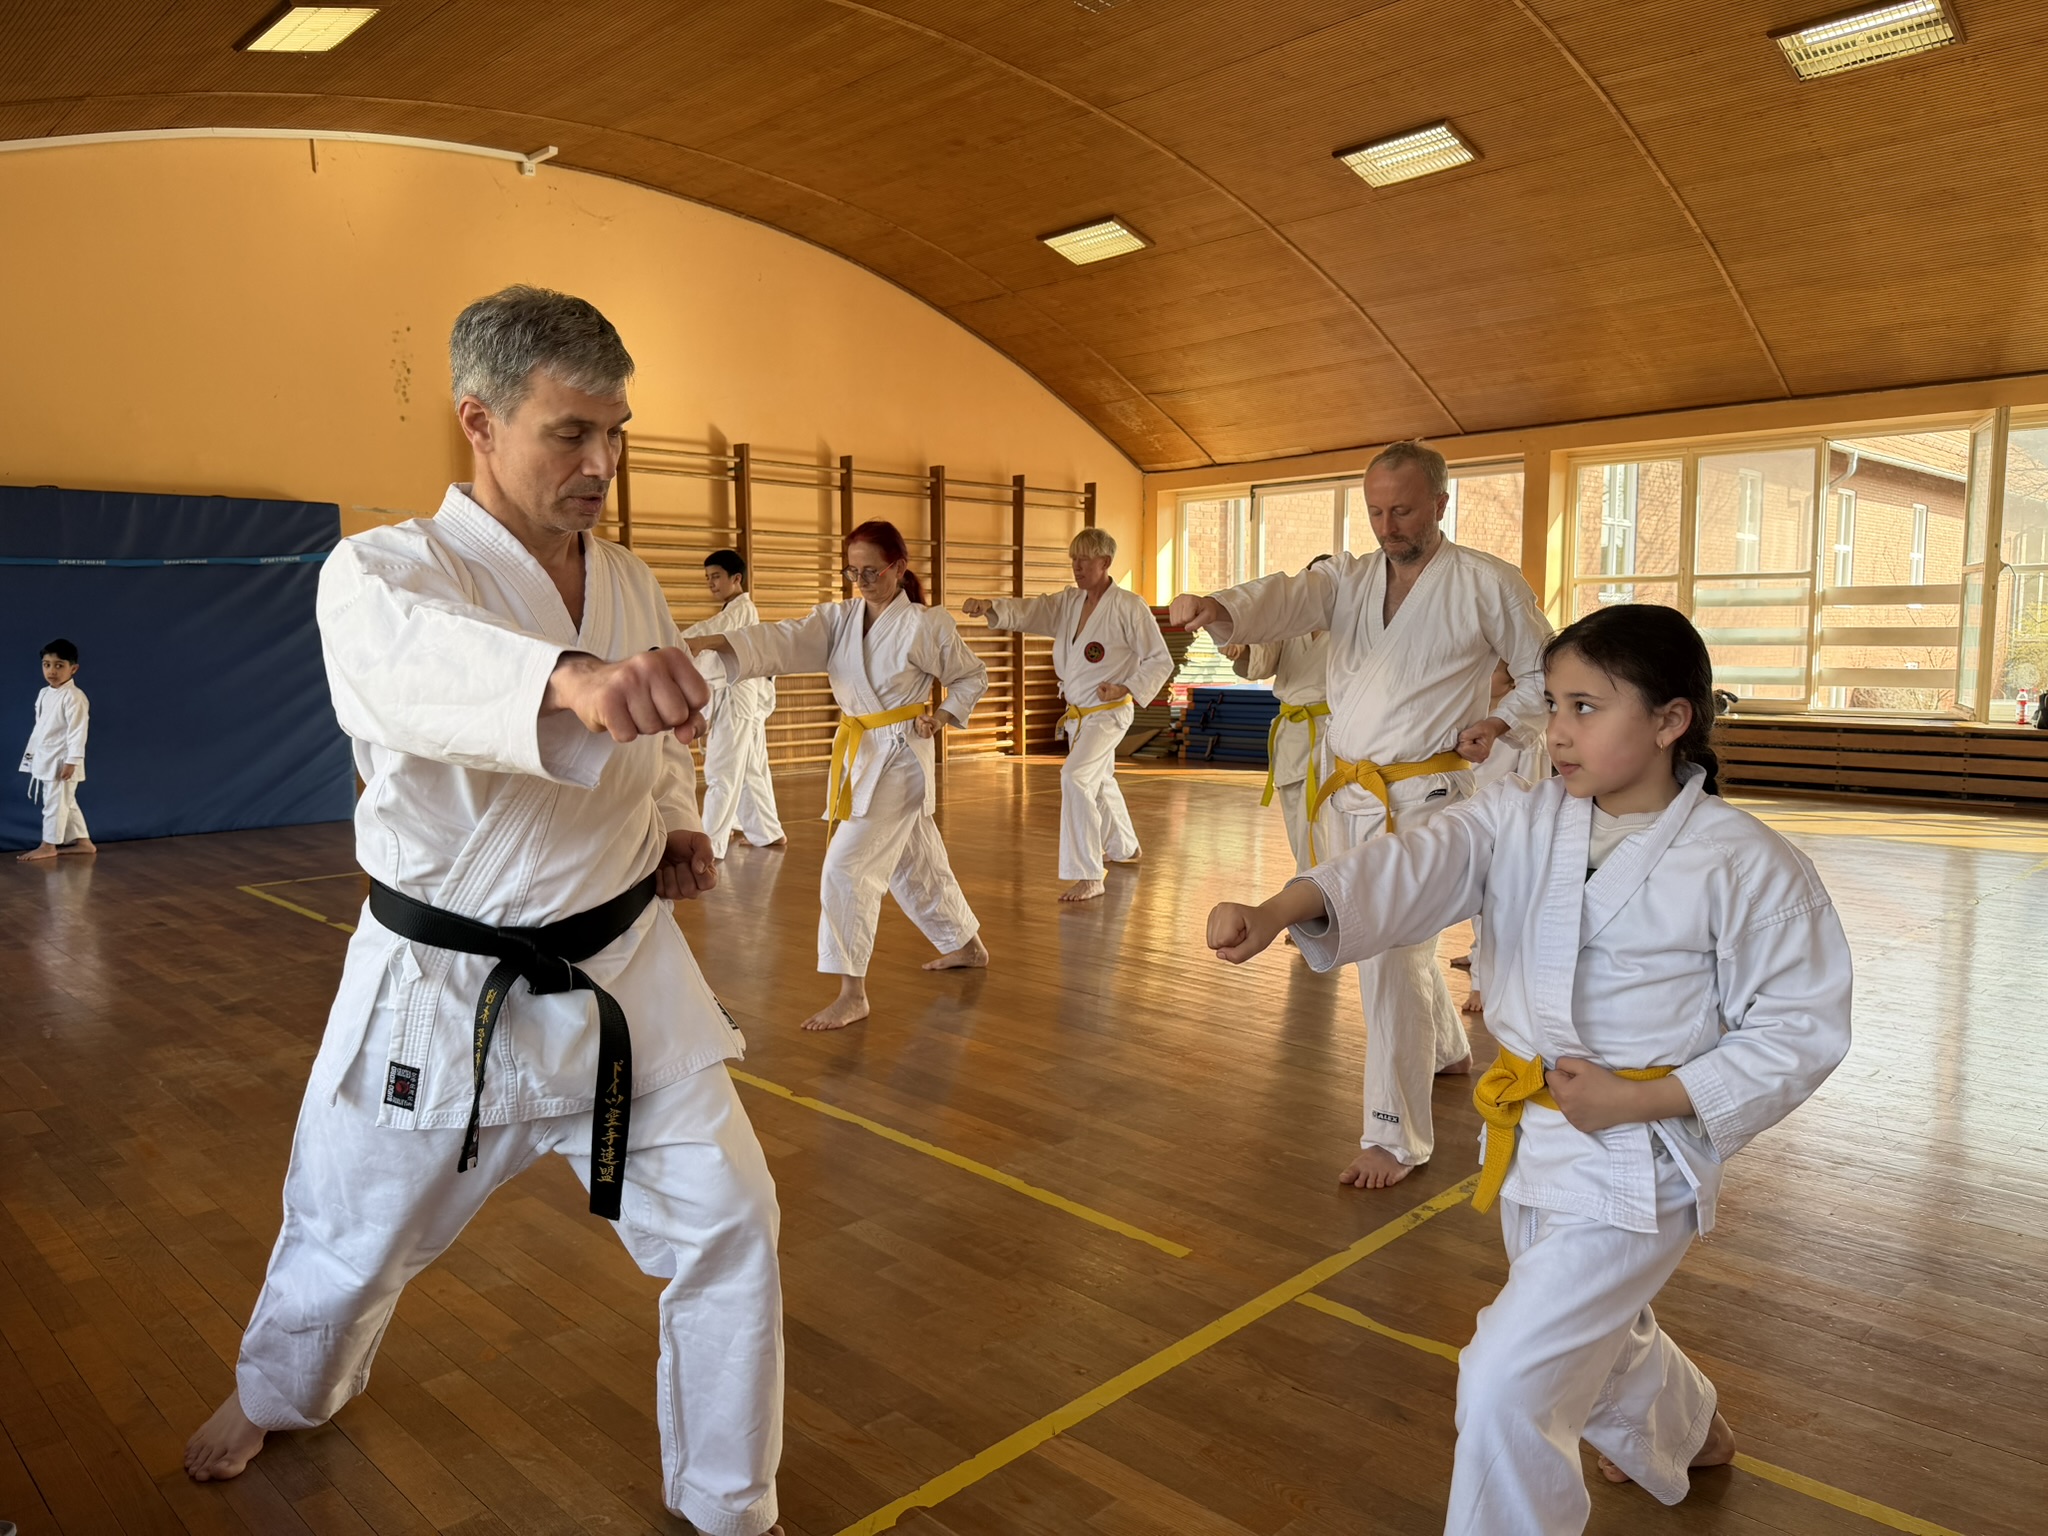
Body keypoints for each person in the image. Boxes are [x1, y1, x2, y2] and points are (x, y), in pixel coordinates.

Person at [183, 286, 788, 1536]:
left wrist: (674, 821)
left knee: (733, 1222)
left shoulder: (628, 579)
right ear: (479, 420)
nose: (601, 463)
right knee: (350, 1237)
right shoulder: (382, 573)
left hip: (623, 977)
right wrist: (570, 681)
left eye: (614, 433)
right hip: (444, 993)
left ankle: (732, 1505)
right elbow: (418, 672)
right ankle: (279, 1392)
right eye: (569, 433)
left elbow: (653, 745)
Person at [1207, 603, 1852, 1536]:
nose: (1556, 731)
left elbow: (1801, 1029)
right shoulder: (1519, 816)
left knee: (1507, 1378)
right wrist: (1281, 907)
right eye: (1551, 703)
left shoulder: (1746, 862)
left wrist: (1645, 1097)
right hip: (1533, 1136)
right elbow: (1412, 862)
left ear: (1671, 720)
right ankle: (1690, 1430)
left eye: (1586, 707)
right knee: (1589, 1329)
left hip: (1642, 1156)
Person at [1170, 440, 1551, 1189]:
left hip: (1426, 797)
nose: (1387, 526)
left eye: (1402, 510)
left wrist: (1502, 721)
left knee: (1390, 958)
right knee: (1395, 950)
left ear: (1440, 503)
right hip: (1347, 792)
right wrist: (1222, 607)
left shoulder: (1488, 583)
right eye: (1375, 511)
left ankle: (1394, 1135)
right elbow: (1288, 597)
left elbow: (1543, 673)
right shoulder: (1346, 580)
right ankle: (1446, 1047)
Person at [690, 520, 989, 1030]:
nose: (862, 581)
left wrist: (940, 716)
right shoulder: (840, 620)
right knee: (914, 861)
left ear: (899, 568)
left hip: (900, 756)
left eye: (872, 571)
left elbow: (970, 676)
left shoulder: (925, 624)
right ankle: (966, 944)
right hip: (862, 752)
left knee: (844, 868)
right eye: (853, 572)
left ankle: (852, 993)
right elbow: (778, 640)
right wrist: (701, 643)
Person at [963, 528, 1173, 901]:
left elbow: (1160, 659)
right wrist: (991, 606)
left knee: (1075, 777)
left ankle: (1088, 873)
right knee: (1098, 780)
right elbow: (1032, 610)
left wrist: (1125, 687)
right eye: (1074, 559)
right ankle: (1125, 846)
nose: (1076, 567)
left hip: (1108, 712)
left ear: (1105, 562)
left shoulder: (1129, 607)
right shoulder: (1069, 603)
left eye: (1084, 560)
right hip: (1078, 714)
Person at [1222, 554, 1334, 879]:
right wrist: (1243, 650)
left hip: (1331, 735)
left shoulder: (1352, 627)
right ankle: (1311, 896)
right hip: (1292, 736)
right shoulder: (1291, 622)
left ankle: (1315, 901)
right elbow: (1262, 658)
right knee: (1298, 828)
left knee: (1321, 828)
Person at [1453, 659, 1550, 1014]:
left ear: (1512, 685)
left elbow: (1533, 788)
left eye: (1495, 669)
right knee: (1473, 903)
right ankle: (1476, 955)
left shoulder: (1526, 737)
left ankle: (1482, 983)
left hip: (1505, 831)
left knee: (1492, 908)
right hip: (1467, 823)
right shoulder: (1464, 718)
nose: (1482, 671)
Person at [685, 549, 786, 859]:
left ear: (736, 578)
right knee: (752, 770)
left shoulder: (740, 609)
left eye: (716, 576)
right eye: (708, 578)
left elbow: (709, 632)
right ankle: (768, 833)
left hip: (736, 699)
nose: (711, 583)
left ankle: (711, 843)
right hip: (743, 699)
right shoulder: (735, 610)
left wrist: (672, 640)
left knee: (722, 772)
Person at [16, 637, 95, 862]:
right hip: (47, 756)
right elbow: (41, 728)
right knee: (66, 802)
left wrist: (72, 760)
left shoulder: (74, 697)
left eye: (59, 665)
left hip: (62, 760)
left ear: (73, 669)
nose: (52, 671)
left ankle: (48, 845)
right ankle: (84, 842)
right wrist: (33, 756)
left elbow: (78, 731)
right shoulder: (44, 693)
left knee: (54, 804)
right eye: (47, 665)